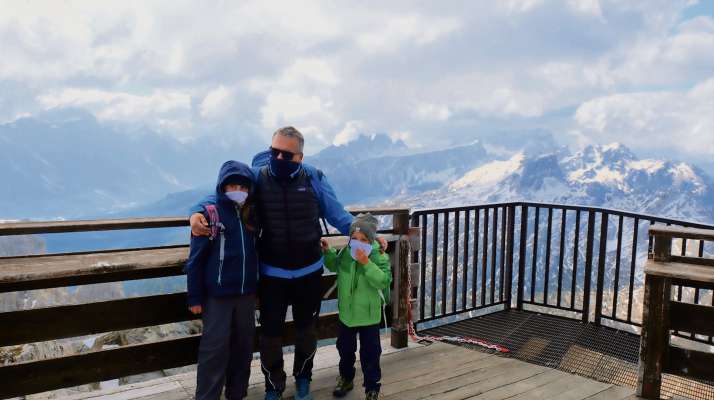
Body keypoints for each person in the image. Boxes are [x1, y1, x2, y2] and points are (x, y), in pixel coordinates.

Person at [190, 127, 385, 400]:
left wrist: (369, 237)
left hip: (309, 272)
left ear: (300, 157)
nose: (278, 157)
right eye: (274, 151)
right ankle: (274, 386)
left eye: (286, 153)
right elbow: (221, 193)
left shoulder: (314, 178)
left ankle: (303, 379)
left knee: (307, 333)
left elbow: (338, 214)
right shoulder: (258, 176)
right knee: (270, 337)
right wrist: (197, 213)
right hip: (271, 274)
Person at [185, 160, 259, 400]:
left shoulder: (252, 214)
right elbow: (195, 260)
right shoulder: (210, 214)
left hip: (246, 294)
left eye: (243, 186)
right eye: (232, 185)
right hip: (217, 297)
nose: (238, 190)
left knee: (243, 350)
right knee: (214, 352)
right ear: (222, 187)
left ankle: (237, 394)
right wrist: (195, 297)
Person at [321, 213, 391, 400]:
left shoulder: (379, 257)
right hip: (347, 315)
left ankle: (372, 387)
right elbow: (334, 265)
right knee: (344, 349)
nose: (358, 243)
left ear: (371, 240)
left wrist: (366, 263)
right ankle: (346, 378)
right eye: (354, 238)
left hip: (369, 316)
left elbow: (383, 281)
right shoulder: (345, 253)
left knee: (371, 353)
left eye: (364, 239)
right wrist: (328, 252)